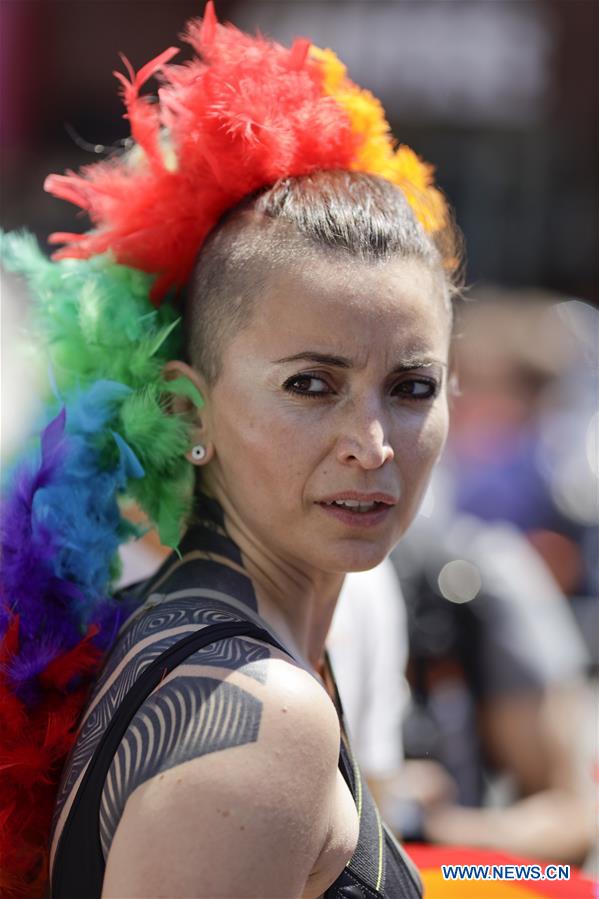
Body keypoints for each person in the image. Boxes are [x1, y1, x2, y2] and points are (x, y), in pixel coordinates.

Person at [0, 5, 461, 897]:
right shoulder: (262, 715)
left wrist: (535, 871)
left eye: (411, 388)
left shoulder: (194, 637)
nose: (371, 446)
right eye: (309, 385)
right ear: (187, 407)